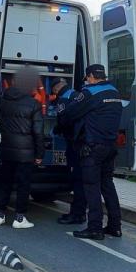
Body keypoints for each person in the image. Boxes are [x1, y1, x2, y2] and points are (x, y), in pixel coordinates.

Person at [58, 64, 123, 240]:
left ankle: (95, 228)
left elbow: (69, 114)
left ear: (91, 76)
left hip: (93, 148)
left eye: (86, 78)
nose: (86, 81)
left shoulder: (89, 93)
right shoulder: (115, 93)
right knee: (108, 186)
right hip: (110, 147)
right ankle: (115, 226)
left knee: (91, 188)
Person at [0, 68, 44, 229]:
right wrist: (39, 153)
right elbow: (38, 132)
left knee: (5, 182)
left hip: (6, 149)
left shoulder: (2, 101)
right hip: (26, 152)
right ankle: (19, 218)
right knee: (23, 185)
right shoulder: (34, 103)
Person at [51, 78, 87, 224]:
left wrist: (55, 130)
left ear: (56, 88)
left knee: (77, 179)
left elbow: (63, 121)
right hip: (83, 142)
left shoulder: (63, 99)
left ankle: (77, 214)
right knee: (81, 179)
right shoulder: (77, 94)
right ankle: (79, 212)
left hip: (75, 143)